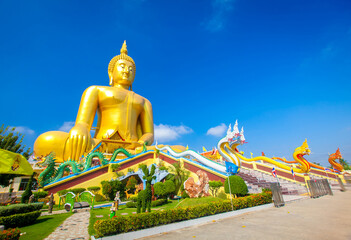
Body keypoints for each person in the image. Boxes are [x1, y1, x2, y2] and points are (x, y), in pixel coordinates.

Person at [34, 41, 154, 162]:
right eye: (122, 66)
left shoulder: (144, 102)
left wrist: (141, 143)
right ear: (111, 72)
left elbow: (149, 133)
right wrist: (80, 128)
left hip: (132, 146)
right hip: (99, 144)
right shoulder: (95, 90)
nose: (127, 71)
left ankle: (130, 154)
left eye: (131, 69)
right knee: (46, 140)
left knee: (168, 149)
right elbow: (83, 123)